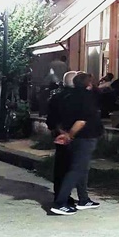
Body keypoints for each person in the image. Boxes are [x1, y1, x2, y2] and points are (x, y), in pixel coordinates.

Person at [50, 73, 103, 215]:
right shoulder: (86, 97)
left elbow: (57, 118)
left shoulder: (67, 96)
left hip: (74, 136)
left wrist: (64, 132)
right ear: (89, 84)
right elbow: (82, 120)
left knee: (82, 169)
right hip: (85, 137)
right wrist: (69, 135)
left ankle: (83, 199)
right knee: (77, 169)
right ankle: (60, 203)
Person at [45, 70, 78, 206]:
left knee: (60, 166)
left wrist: (56, 129)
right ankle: (65, 197)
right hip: (74, 134)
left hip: (60, 134)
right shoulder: (77, 97)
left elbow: (50, 118)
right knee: (72, 166)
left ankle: (60, 193)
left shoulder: (56, 97)